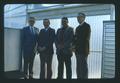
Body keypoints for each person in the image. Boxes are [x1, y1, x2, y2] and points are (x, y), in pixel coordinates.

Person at [73, 13, 91, 79]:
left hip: (84, 51)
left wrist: (86, 51)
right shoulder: (77, 28)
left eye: (80, 17)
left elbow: (87, 39)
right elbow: (75, 38)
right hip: (77, 51)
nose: (78, 19)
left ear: (84, 18)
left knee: (84, 67)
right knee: (78, 67)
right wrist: (73, 46)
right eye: (77, 17)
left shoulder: (87, 26)